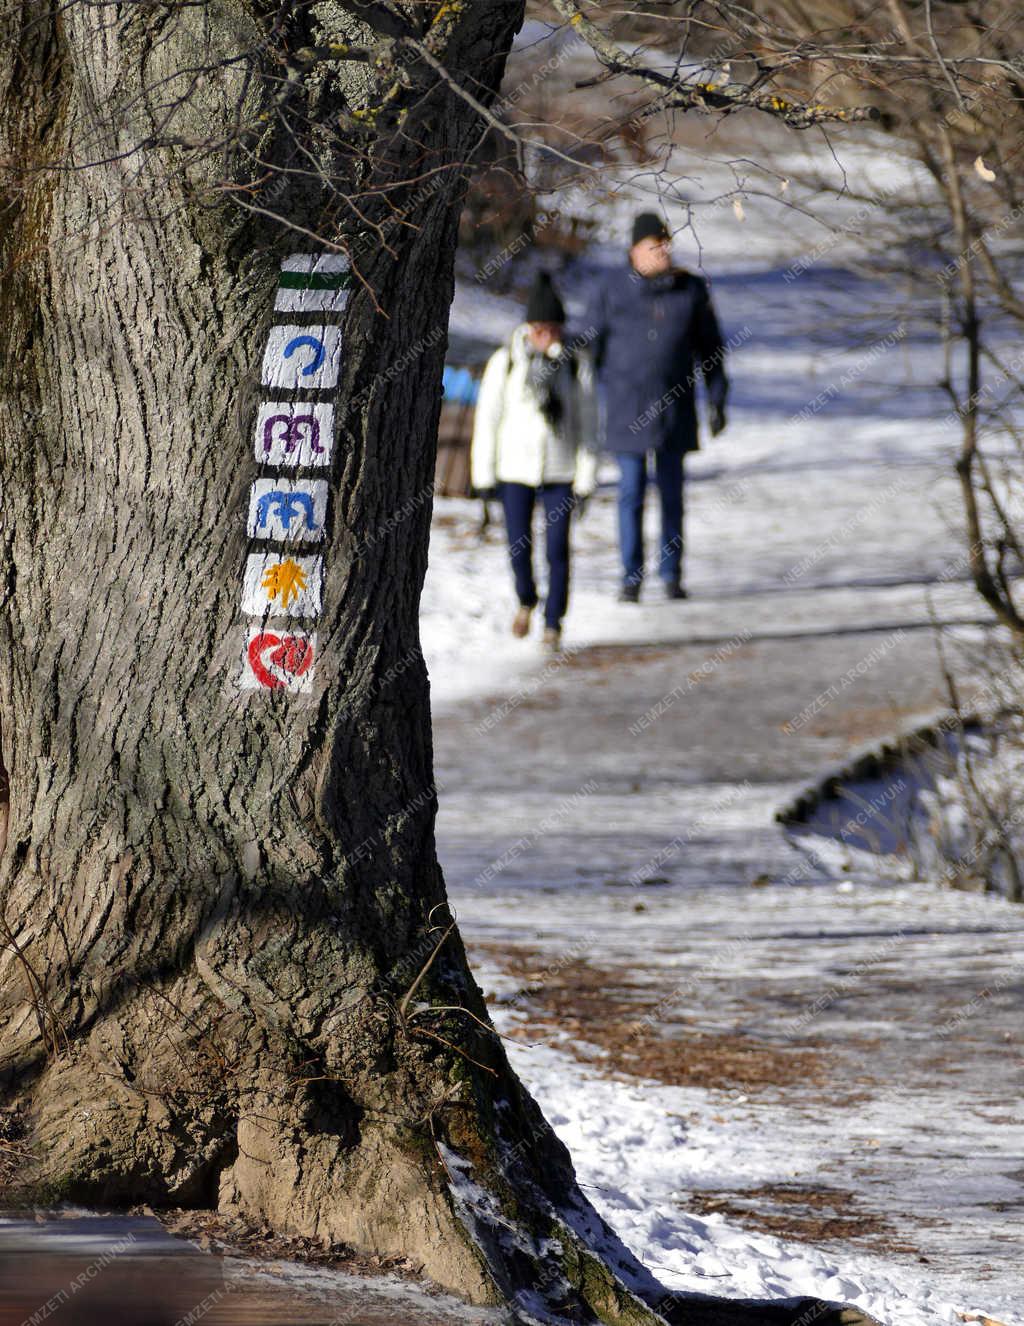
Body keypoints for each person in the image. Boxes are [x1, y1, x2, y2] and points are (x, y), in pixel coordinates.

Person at [586, 212, 728, 601]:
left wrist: (717, 398)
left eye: (666, 244)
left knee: (671, 494)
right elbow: (589, 348)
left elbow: (711, 349)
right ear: (634, 251)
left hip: (674, 409)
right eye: (654, 245)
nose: (663, 252)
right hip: (625, 409)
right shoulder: (610, 289)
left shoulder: (691, 290)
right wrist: (585, 398)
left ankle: (671, 573)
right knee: (630, 492)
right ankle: (630, 577)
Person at [471, 272, 598, 651]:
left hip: (561, 469)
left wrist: (586, 478)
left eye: (554, 329)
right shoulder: (505, 362)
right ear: (528, 328)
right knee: (518, 545)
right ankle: (526, 598)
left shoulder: (576, 364)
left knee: (557, 547)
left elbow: (589, 423)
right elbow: (488, 419)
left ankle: (553, 620)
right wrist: (483, 476)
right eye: (541, 329)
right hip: (514, 470)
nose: (548, 338)